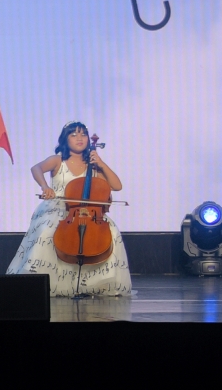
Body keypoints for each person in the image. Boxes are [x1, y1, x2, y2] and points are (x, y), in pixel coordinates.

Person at [7, 121, 130, 297]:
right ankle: (44, 283)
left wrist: (101, 164)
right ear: (66, 140)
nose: (79, 138)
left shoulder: (94, 165)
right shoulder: (57, 160)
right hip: (59, 208)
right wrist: (45, 187)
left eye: (83, 134)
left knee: (112, 231)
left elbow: (117, 186)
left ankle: (93, 284)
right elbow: (36, 168)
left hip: (90, 213)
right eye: (74, 135)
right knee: (48, 230)